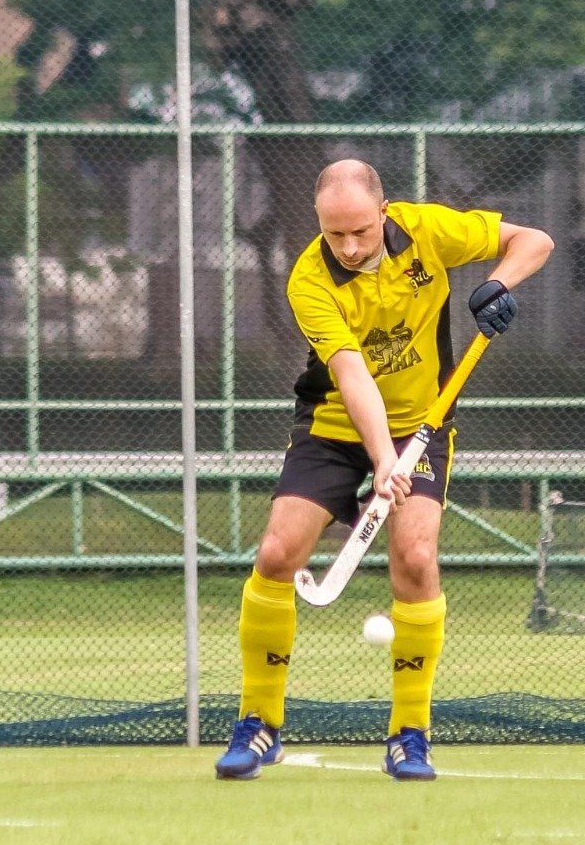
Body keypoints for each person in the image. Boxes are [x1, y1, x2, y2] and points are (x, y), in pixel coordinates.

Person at [214, 159, 554, 781]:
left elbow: (535, 241)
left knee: (417, 561)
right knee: (275, 554)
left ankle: (409, 734)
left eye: (360, 233)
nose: (347, 247)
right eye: (333, 234)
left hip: (423, 422)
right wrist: (381, 460)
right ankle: (259, 724)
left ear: (383, 212)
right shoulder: (309, 280)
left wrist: (499, 285)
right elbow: (351, 377)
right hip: (334, 429)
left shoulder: (427, 232)